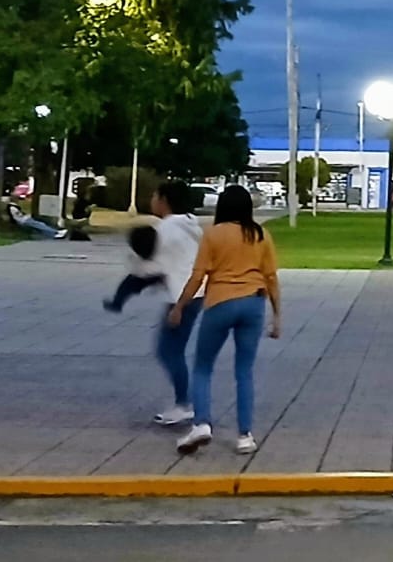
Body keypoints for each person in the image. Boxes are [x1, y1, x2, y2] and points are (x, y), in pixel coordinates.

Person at [169, 185, 280, 455]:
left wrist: (180, 306)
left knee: (203, 366)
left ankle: (202, 423)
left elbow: (198, 276)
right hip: (254, 303)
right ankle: (245, 435)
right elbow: (271, 277)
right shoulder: (261, 235)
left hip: (221, 302)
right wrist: (277, 315)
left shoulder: (214, 235)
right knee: (244, 370)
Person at [149, 180, 206, 426]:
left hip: (180, 297)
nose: (151, 200)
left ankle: (185, 403)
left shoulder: (167, 228)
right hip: (196, 293)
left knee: (168, 350)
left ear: (164, 200)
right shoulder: (192, 225)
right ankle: (186, 401)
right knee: (174, 349)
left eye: (154, 195)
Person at [104, 224, 166, 312]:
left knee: (129, 283)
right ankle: (117, 303)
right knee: (130, 282)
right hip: (152, 270)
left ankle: (117, 303)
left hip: (156, 270)